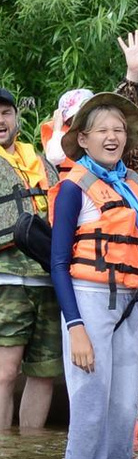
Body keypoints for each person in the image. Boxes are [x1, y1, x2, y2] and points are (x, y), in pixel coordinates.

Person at [50, 93, 138, 459]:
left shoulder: (134, 186)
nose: (113, 137)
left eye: (119, 130)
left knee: (123, 410)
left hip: (131, 306)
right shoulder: (73, 188)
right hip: (89, 302)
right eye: (103, 130)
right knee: (90, 405)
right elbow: (59, 263)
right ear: (83, 139)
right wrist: (75, 327)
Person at [0, 86, 61, 437]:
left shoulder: (41, 162)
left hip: (46, 278)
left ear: (16, 118)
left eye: (6, 112)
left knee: (44, 371)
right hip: (5, 279)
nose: (1, 120)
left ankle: (31, 455)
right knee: (6, 372)